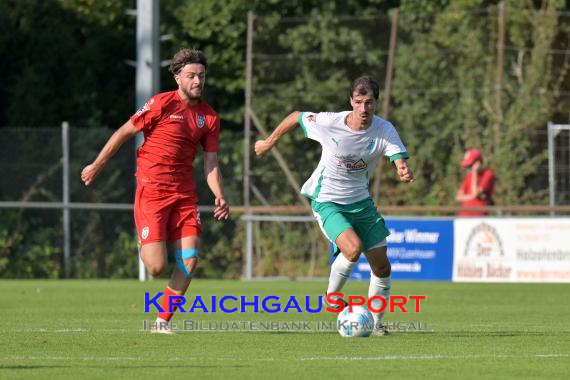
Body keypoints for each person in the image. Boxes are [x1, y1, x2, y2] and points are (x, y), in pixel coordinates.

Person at [81, 48, 229, 334]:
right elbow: (124, 132)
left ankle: (161, 323)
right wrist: (98, 164)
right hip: (153, 192)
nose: (198, 81)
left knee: (189, 260)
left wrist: (219, 194)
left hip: (185, 195)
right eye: (191, 76)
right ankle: (147, 243)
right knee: (156, 268)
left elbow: (210, 163)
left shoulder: (209, 118)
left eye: (201, 76)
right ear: (177, 78)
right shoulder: (161, 104)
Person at [254, 76, 415, 336]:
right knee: (352, 249)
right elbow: (296, 116)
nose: (364, 109)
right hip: (328, 200)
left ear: (377, 102)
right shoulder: (330, 122)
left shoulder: (384, 129)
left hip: (361, 203)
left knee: (382, 266)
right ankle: (332, 297)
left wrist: (402, 168)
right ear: (351, 101)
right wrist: (269, 142)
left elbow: (397, 156)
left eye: (370, 102)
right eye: (359, 102)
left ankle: (375, 324)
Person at [455, 149, 495, 216]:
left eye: (470, 165)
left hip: (478, 216)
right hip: (464, 215)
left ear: (478, 163)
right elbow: (458, 197)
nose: (469, 168)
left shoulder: (487, 174)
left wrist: (475, 173)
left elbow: (475, 192)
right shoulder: (469, 176)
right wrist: (472, 196)